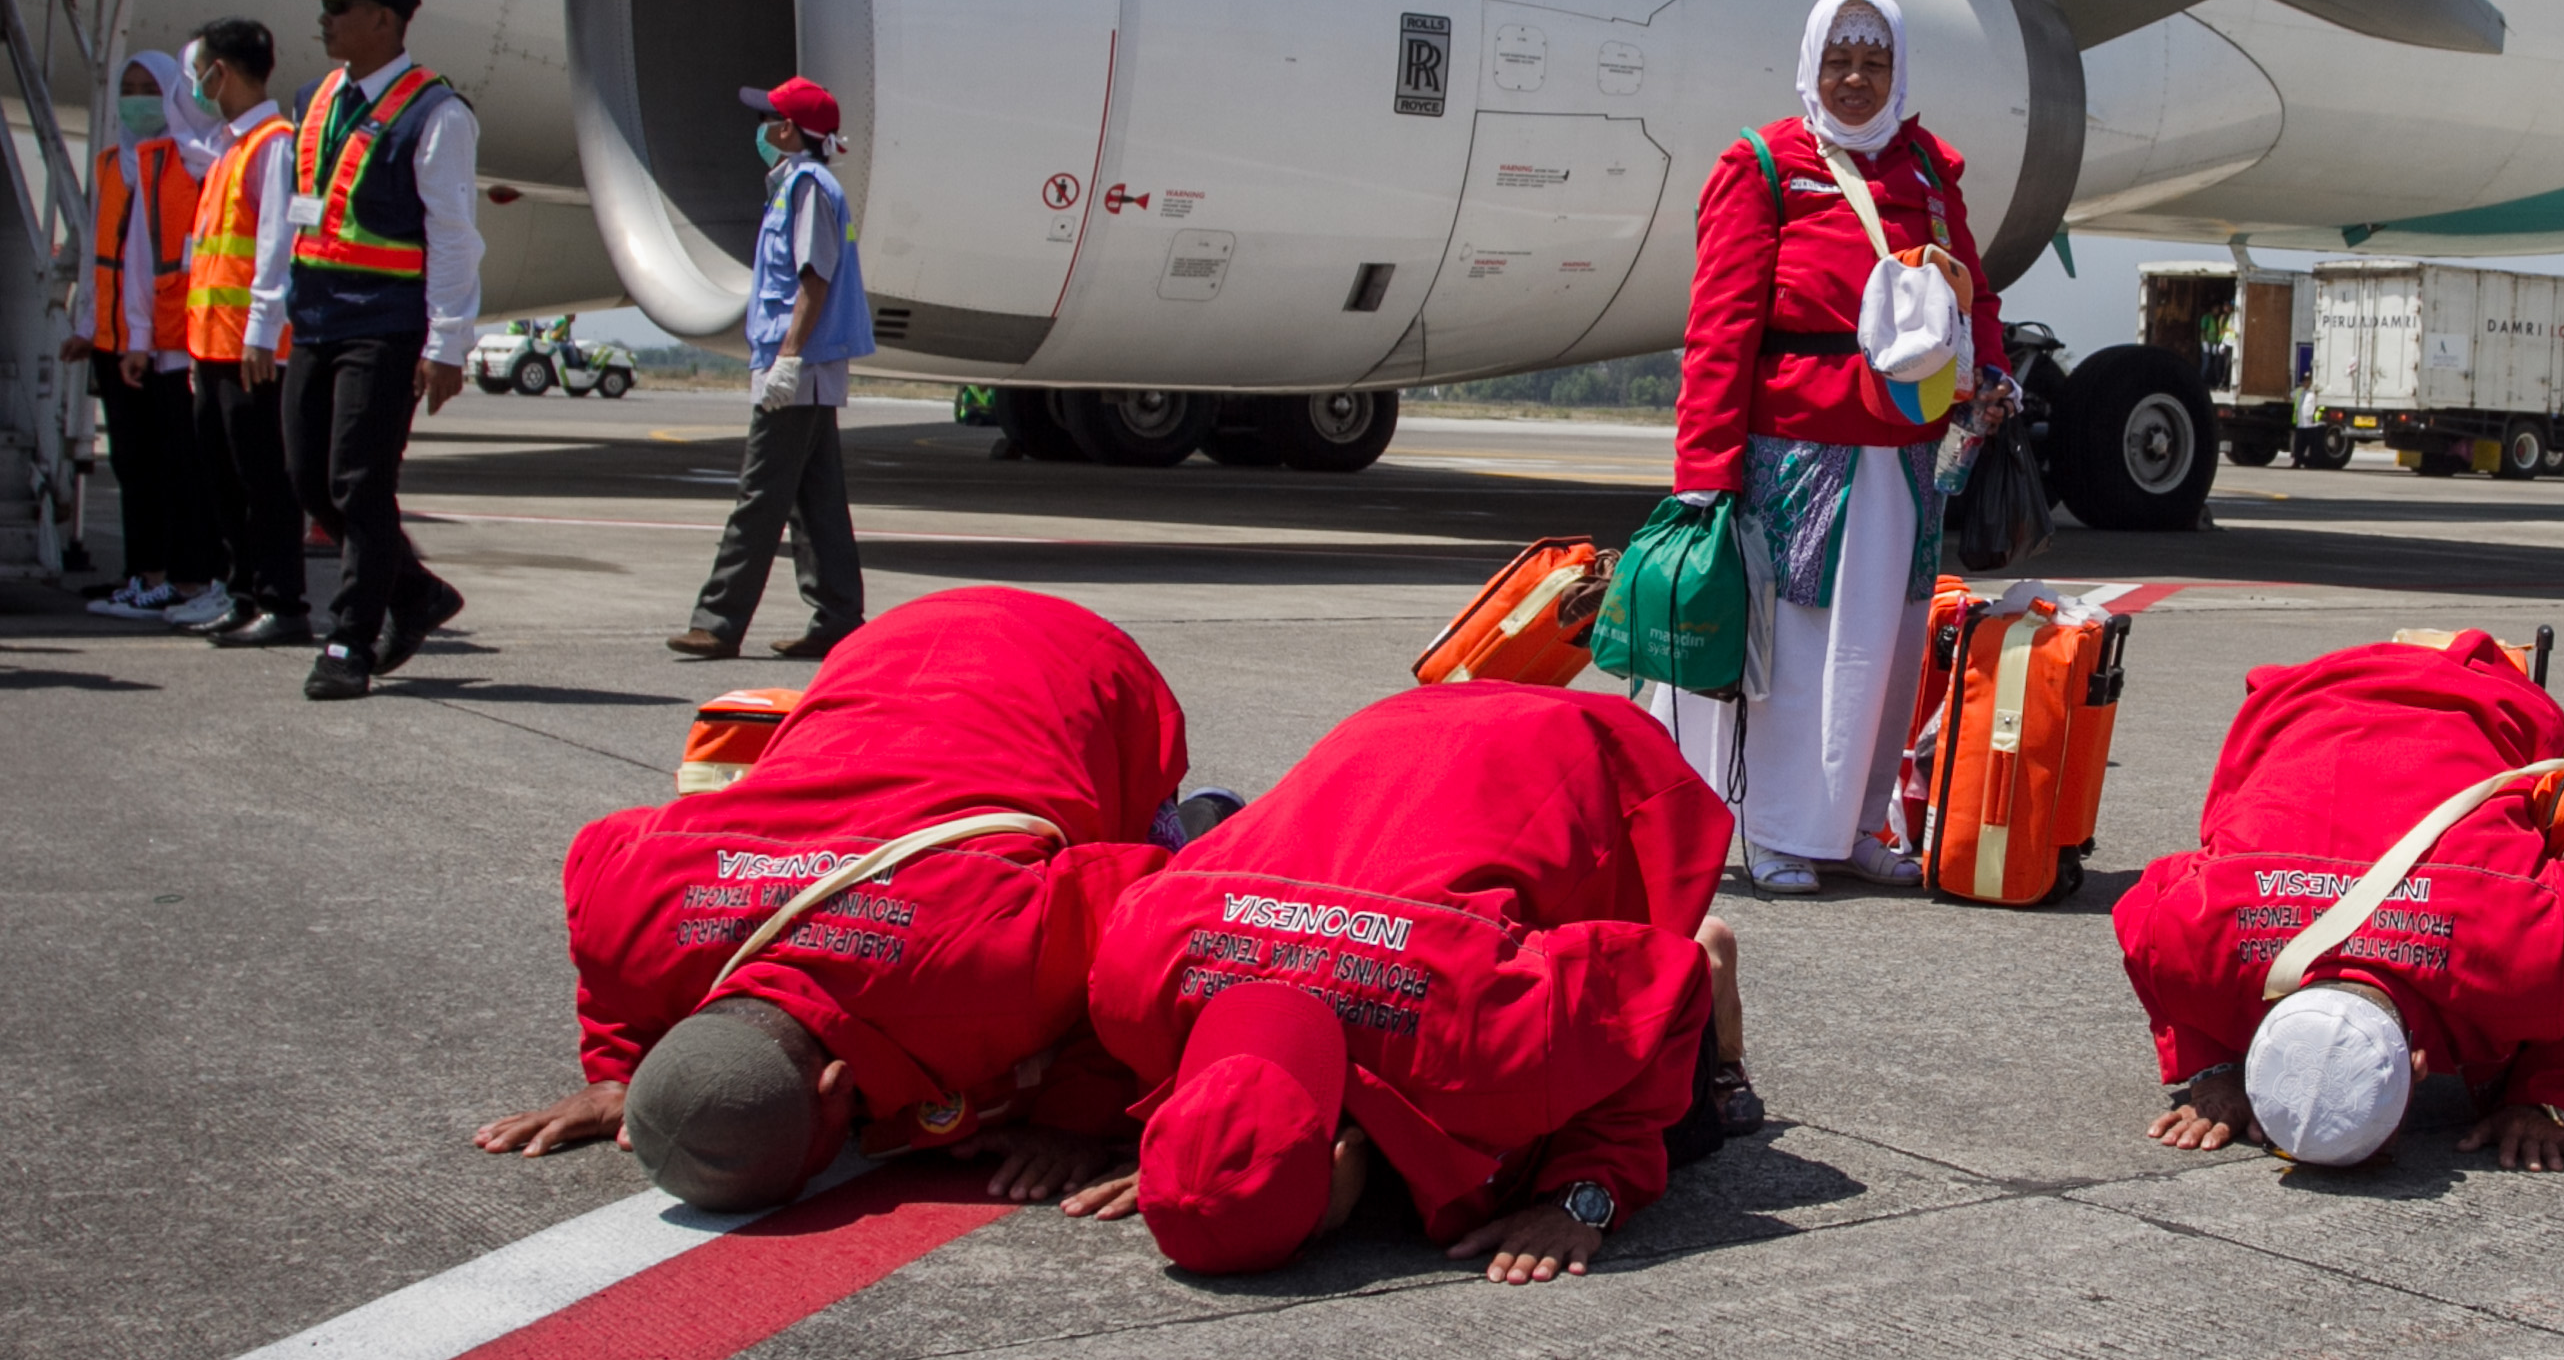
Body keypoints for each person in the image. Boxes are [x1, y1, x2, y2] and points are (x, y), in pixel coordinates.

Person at [472, 587, 1187, 1211]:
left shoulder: (992, 963)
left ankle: (1204, 819)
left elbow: (1147, 909)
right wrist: (621, 1072)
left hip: (1082, 666)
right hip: (883, 651)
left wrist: (1079, 1118)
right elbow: (602, 862)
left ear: (836, 1088)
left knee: (1179, 849)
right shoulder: (628, 915)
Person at [1071, 682, 1756, 1282]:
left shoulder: (1480, 1042)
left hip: (1577, 743)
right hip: (1393, 732)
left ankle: (1717, 991)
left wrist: (1586, 1193)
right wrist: (1203, 1169)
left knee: (1679, 1124)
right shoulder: (1139, 971)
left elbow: (1671, 983)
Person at [1658, 0, 2014, 891]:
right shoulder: (1765, 165)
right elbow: (1720, 330)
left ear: (1898, 70)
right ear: (1812, 64)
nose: (1856, 79)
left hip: (1904, 450)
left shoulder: (1929, 168)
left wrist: (1993, 374)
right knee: (1798, 644)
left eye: (1876, 62)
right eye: (1840, 62)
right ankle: (1777, 830)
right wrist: (1705, 471)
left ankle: (1855, 823)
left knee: (1885, 649)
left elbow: (1976, 287)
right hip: (1797, 451)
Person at [2113, 630, 2564, 1172]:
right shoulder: (2196, 942)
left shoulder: (2524, 954)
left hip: (2488, 700)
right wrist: (2214, 1068)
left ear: (2416, 1065)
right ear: (2417, 1063)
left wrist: (2543, 1093)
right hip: (2301, 698)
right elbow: (2141, 911)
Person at [260, 0, 481, 701]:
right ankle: (415, 592)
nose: (325, 19)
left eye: (338, 5)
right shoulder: (316, 98)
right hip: (317, 319)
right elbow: (288, 218)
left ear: (384, 20)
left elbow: (453, 234)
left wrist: (447, 341)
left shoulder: (437, 112)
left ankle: (347, 639)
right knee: (308, 479)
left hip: (385, 327)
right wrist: (269, 316)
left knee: (360, 482)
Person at [672, 77, 874, 662]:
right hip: (803, 367)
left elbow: (816, 278)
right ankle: (837, 617)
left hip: (799, 368)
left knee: (759, 495)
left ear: (790, 130)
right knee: (816, 502)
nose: (762, 127)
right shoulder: (795, 186)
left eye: (771, 118)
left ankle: (718, 622)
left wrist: (787, 358)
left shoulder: (808, 187)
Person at [61, 49, 222, 624]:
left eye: (146, 88)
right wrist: (87, 327)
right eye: (126, 87)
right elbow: (103, 256)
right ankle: (144, 573)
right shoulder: (111, 164)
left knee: (179, 465)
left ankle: (184, 576)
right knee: (131, 464)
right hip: (117, 340)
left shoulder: (188, 163)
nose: (134, 99)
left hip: (171, 342)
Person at [180, 20, 314, 649]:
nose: (197, 82)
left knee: (265, 481)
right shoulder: (228, 146)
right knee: (225, 478)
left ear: (222, 72)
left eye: (201, 69)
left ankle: (282, 602)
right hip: (212, 345)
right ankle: (242, 593)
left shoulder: (273, 143)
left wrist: (262, 333)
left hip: (250, 349)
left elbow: (276, 247)